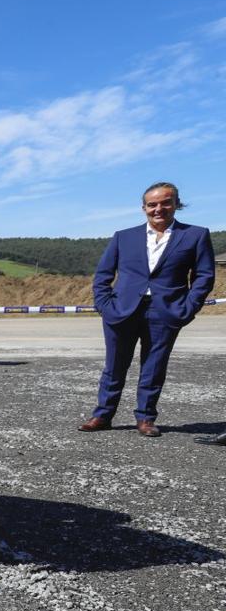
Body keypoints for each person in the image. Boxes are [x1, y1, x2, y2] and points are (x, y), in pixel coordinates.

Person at [78, 183, 215, 437]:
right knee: (114, 366)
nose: (158, 209)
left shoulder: (196, 235)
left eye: (165, 203)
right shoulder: (123, 236)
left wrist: (188, 307)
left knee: (154, 366)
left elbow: (204, 276)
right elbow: (103, 276)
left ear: (176, 204)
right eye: (152, 205)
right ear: (144, 208)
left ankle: (146, 418)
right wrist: (106, 306)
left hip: (166, 311)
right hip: (122, 310)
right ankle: (103, 415)